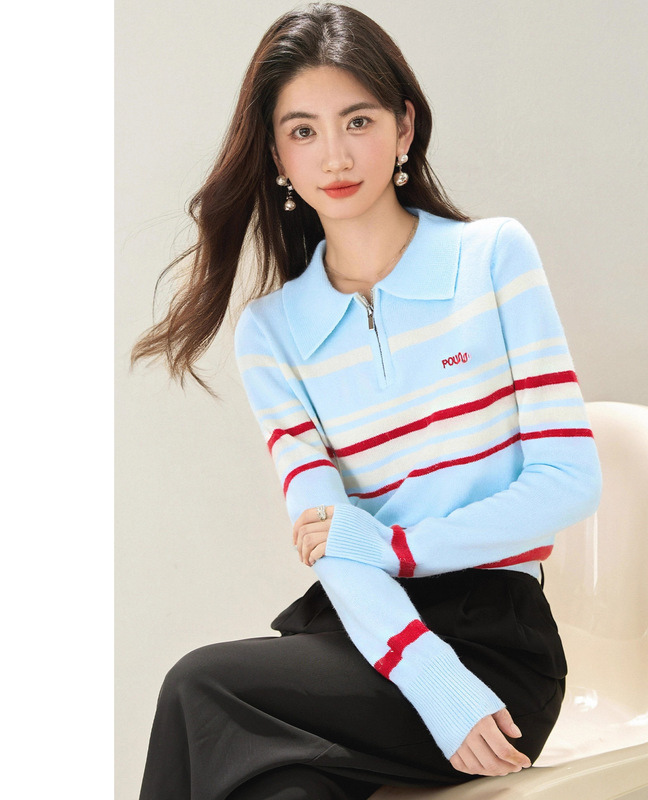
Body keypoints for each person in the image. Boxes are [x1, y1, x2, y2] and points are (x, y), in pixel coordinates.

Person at [131, 4, 602, 799]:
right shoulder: (272, 334)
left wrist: (399, 551)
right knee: (279, 789)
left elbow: (570, 482)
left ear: (404, 126)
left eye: (358, 121)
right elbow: (332, 546)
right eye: (303, 131)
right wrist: (424, 672)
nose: (336, 155)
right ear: (276, 153)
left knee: (197, 685)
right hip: (366, 637)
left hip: (495, 651)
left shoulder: (492, 258)